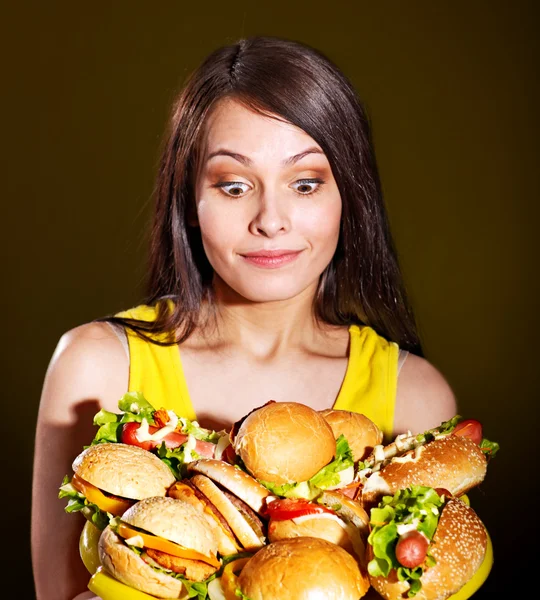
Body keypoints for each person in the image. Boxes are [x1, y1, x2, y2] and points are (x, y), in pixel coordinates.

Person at [31, 36, 457, 600]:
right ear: (189, 199)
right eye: (233, 185)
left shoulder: (417, 398)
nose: (271, 220)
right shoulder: (95, 368)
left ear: (350, 195)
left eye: (305, 183)